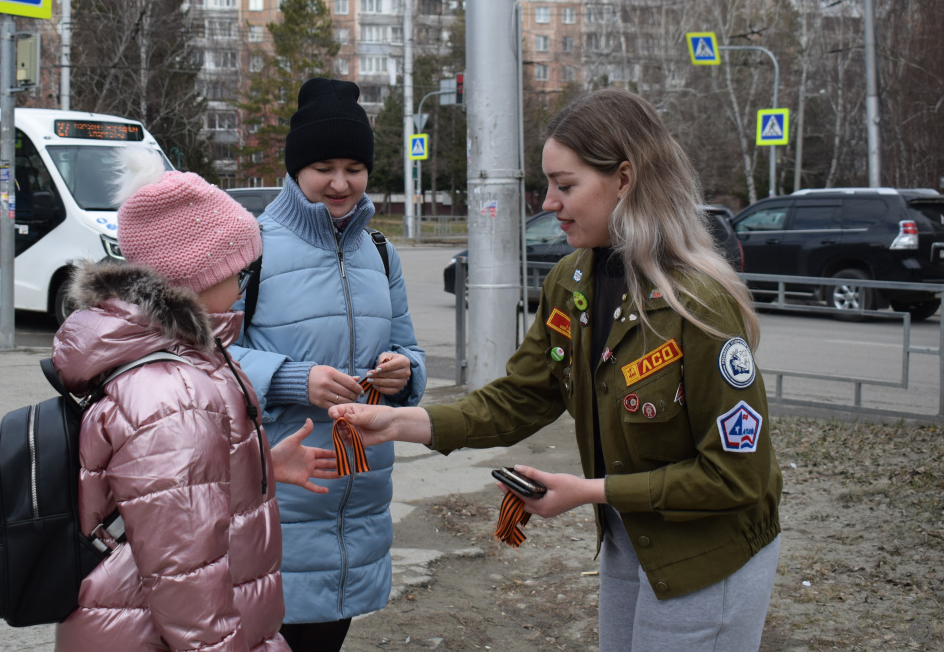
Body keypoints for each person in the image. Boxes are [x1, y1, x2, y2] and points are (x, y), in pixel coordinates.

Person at [332, 88, 782, 652]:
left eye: (565, 186)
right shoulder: (570, 282)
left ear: (625, 178)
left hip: (707, 558)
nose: (547, 203)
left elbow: (735, 478)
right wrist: (403, 424)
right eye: (548, 185)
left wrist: (588, 490)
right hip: (631, 539)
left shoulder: (697, 303)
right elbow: (519, 398)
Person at [51, 152, 338, 652]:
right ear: (197, 280)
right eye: (241, 275)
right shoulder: (175, 393)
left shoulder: (174, 363)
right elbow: (188, 581)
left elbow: (171, 494)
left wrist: (257, 464)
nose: (246, 289)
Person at [229, 78, 427, 652]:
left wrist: (403, 372)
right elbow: (206, 362)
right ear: (295, 170)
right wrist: (295, 378)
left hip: (361, 498)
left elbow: (411, 352)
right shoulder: (252, 248)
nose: (340, 183)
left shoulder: (380, 252)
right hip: (280, 497)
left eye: (354, 167)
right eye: (323, 166)